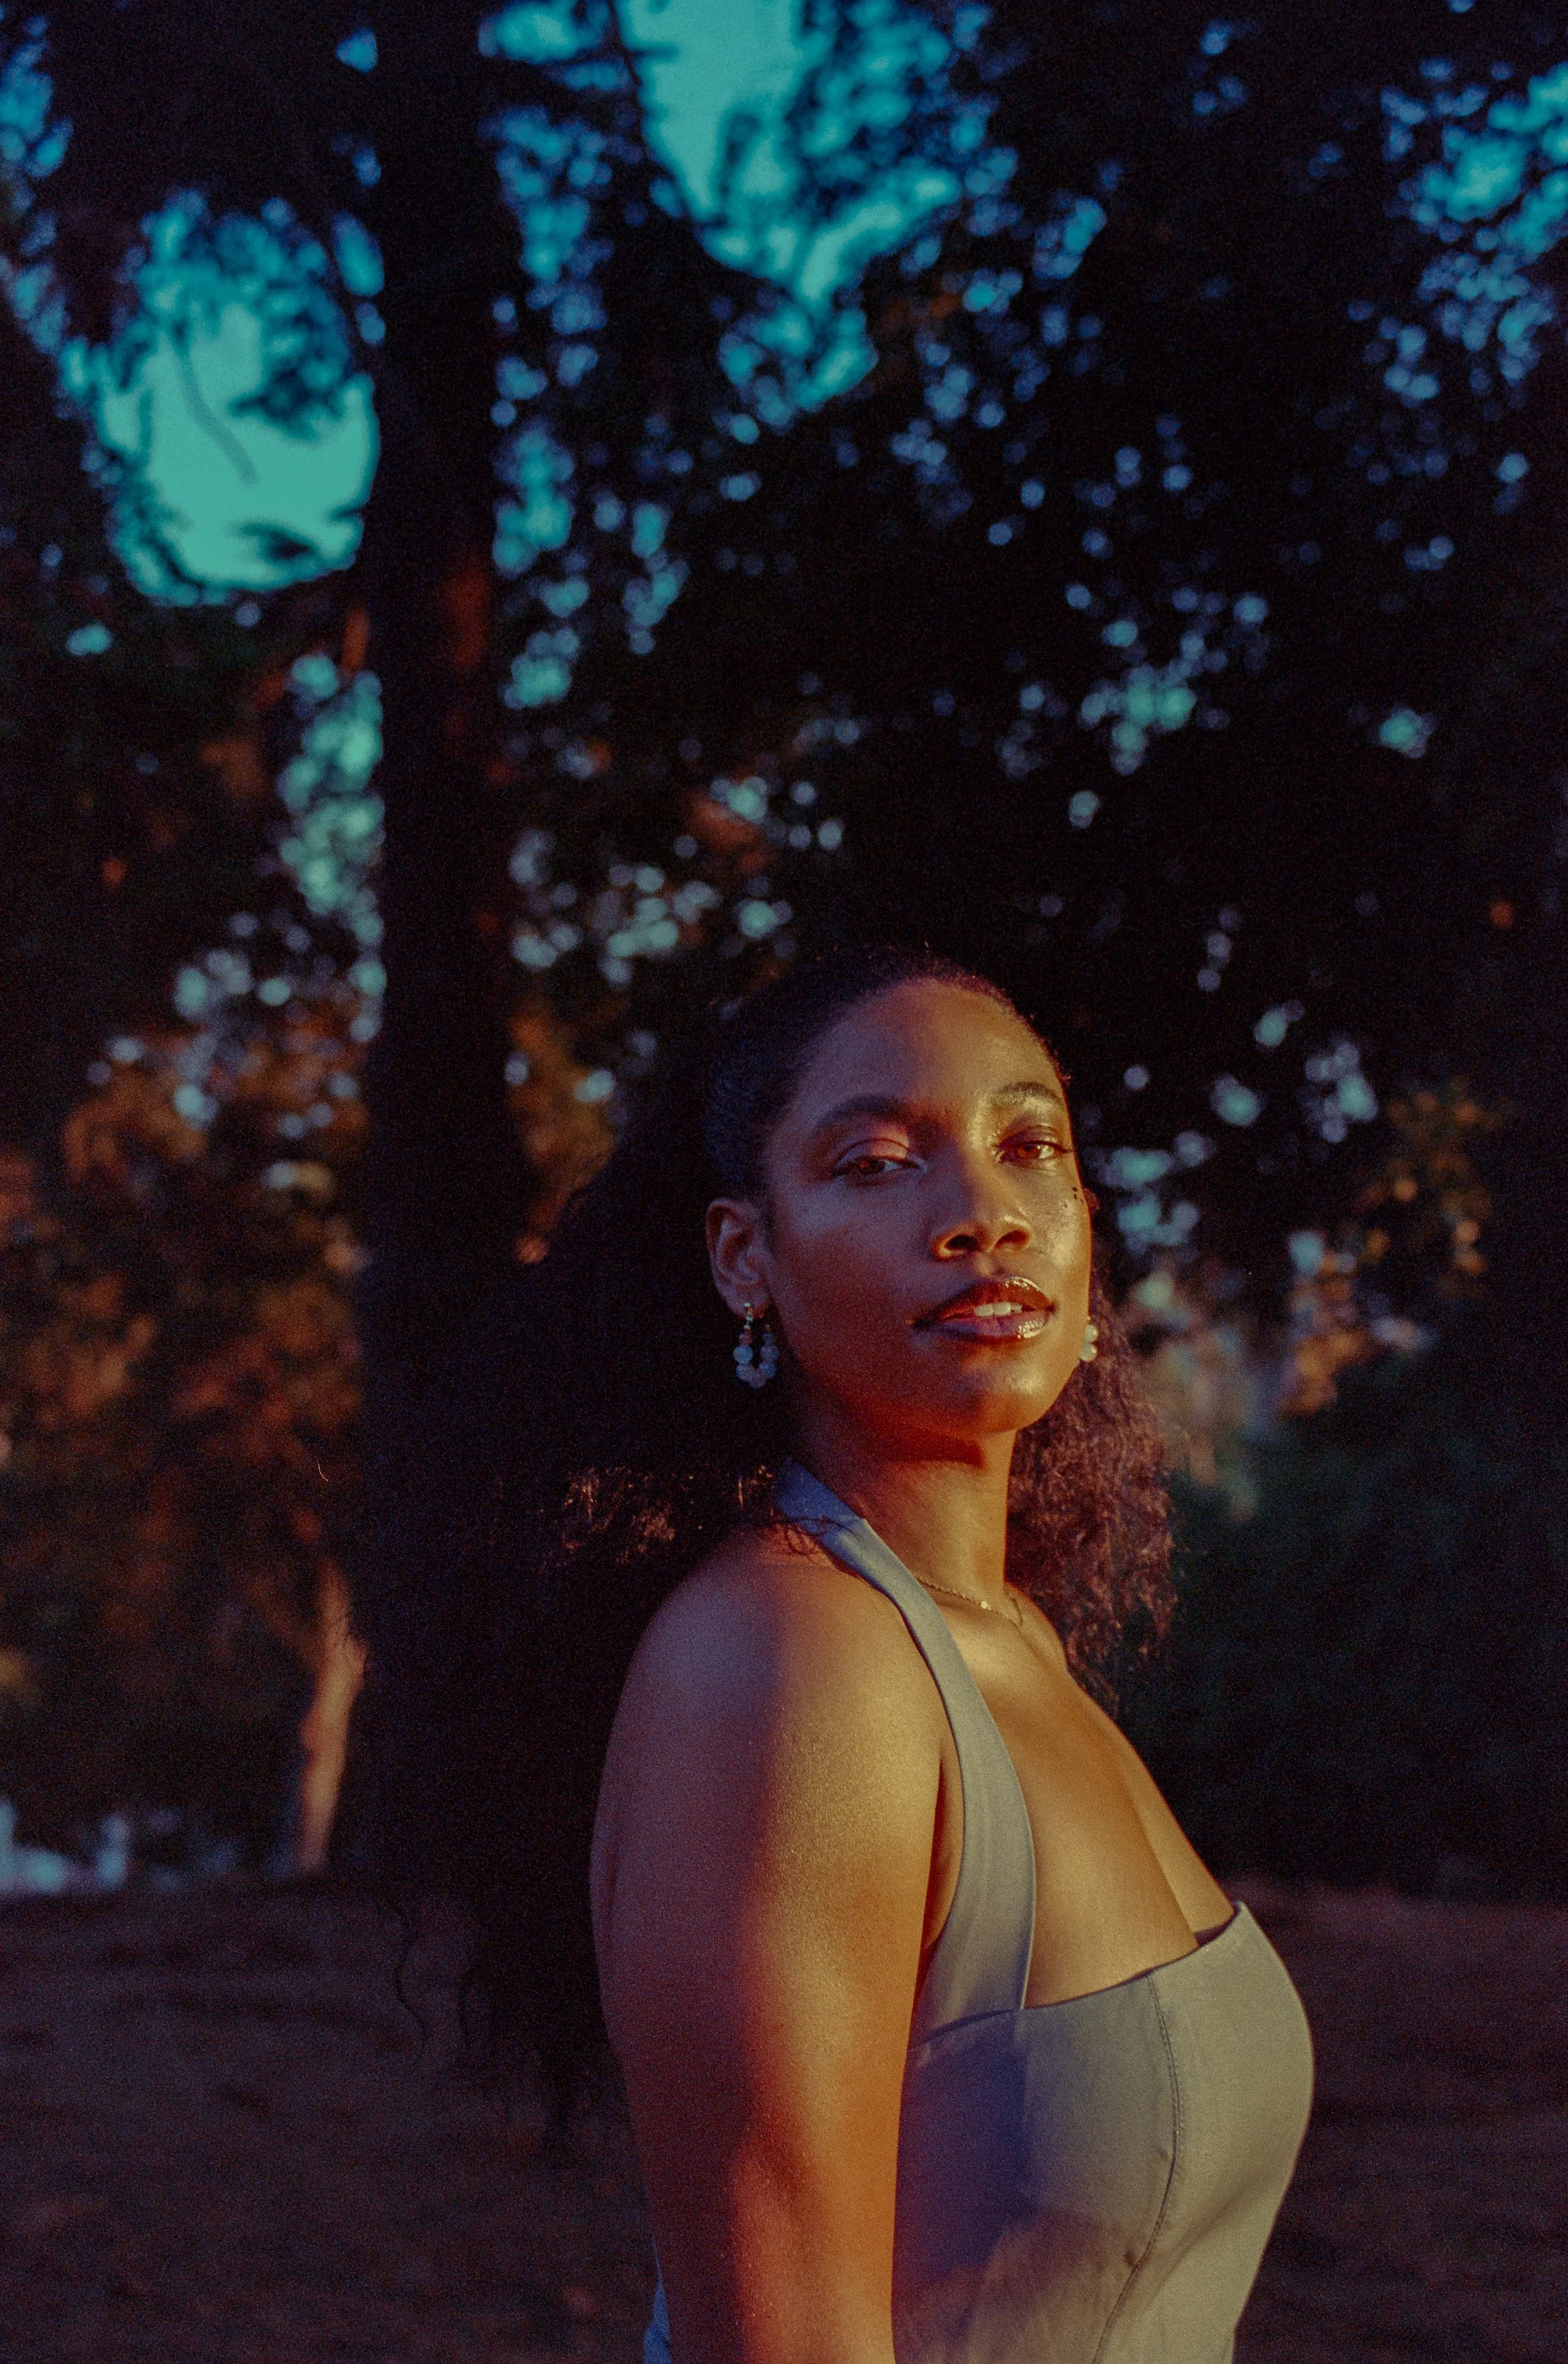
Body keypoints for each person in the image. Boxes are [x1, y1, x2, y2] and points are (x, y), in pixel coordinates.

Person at [357, 945, 1313, 2364]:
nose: (980, 1213)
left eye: (1026, 1146)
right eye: (875, 1162)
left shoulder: (1007, 1642)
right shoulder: (789, 1664)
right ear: (746, 1256)